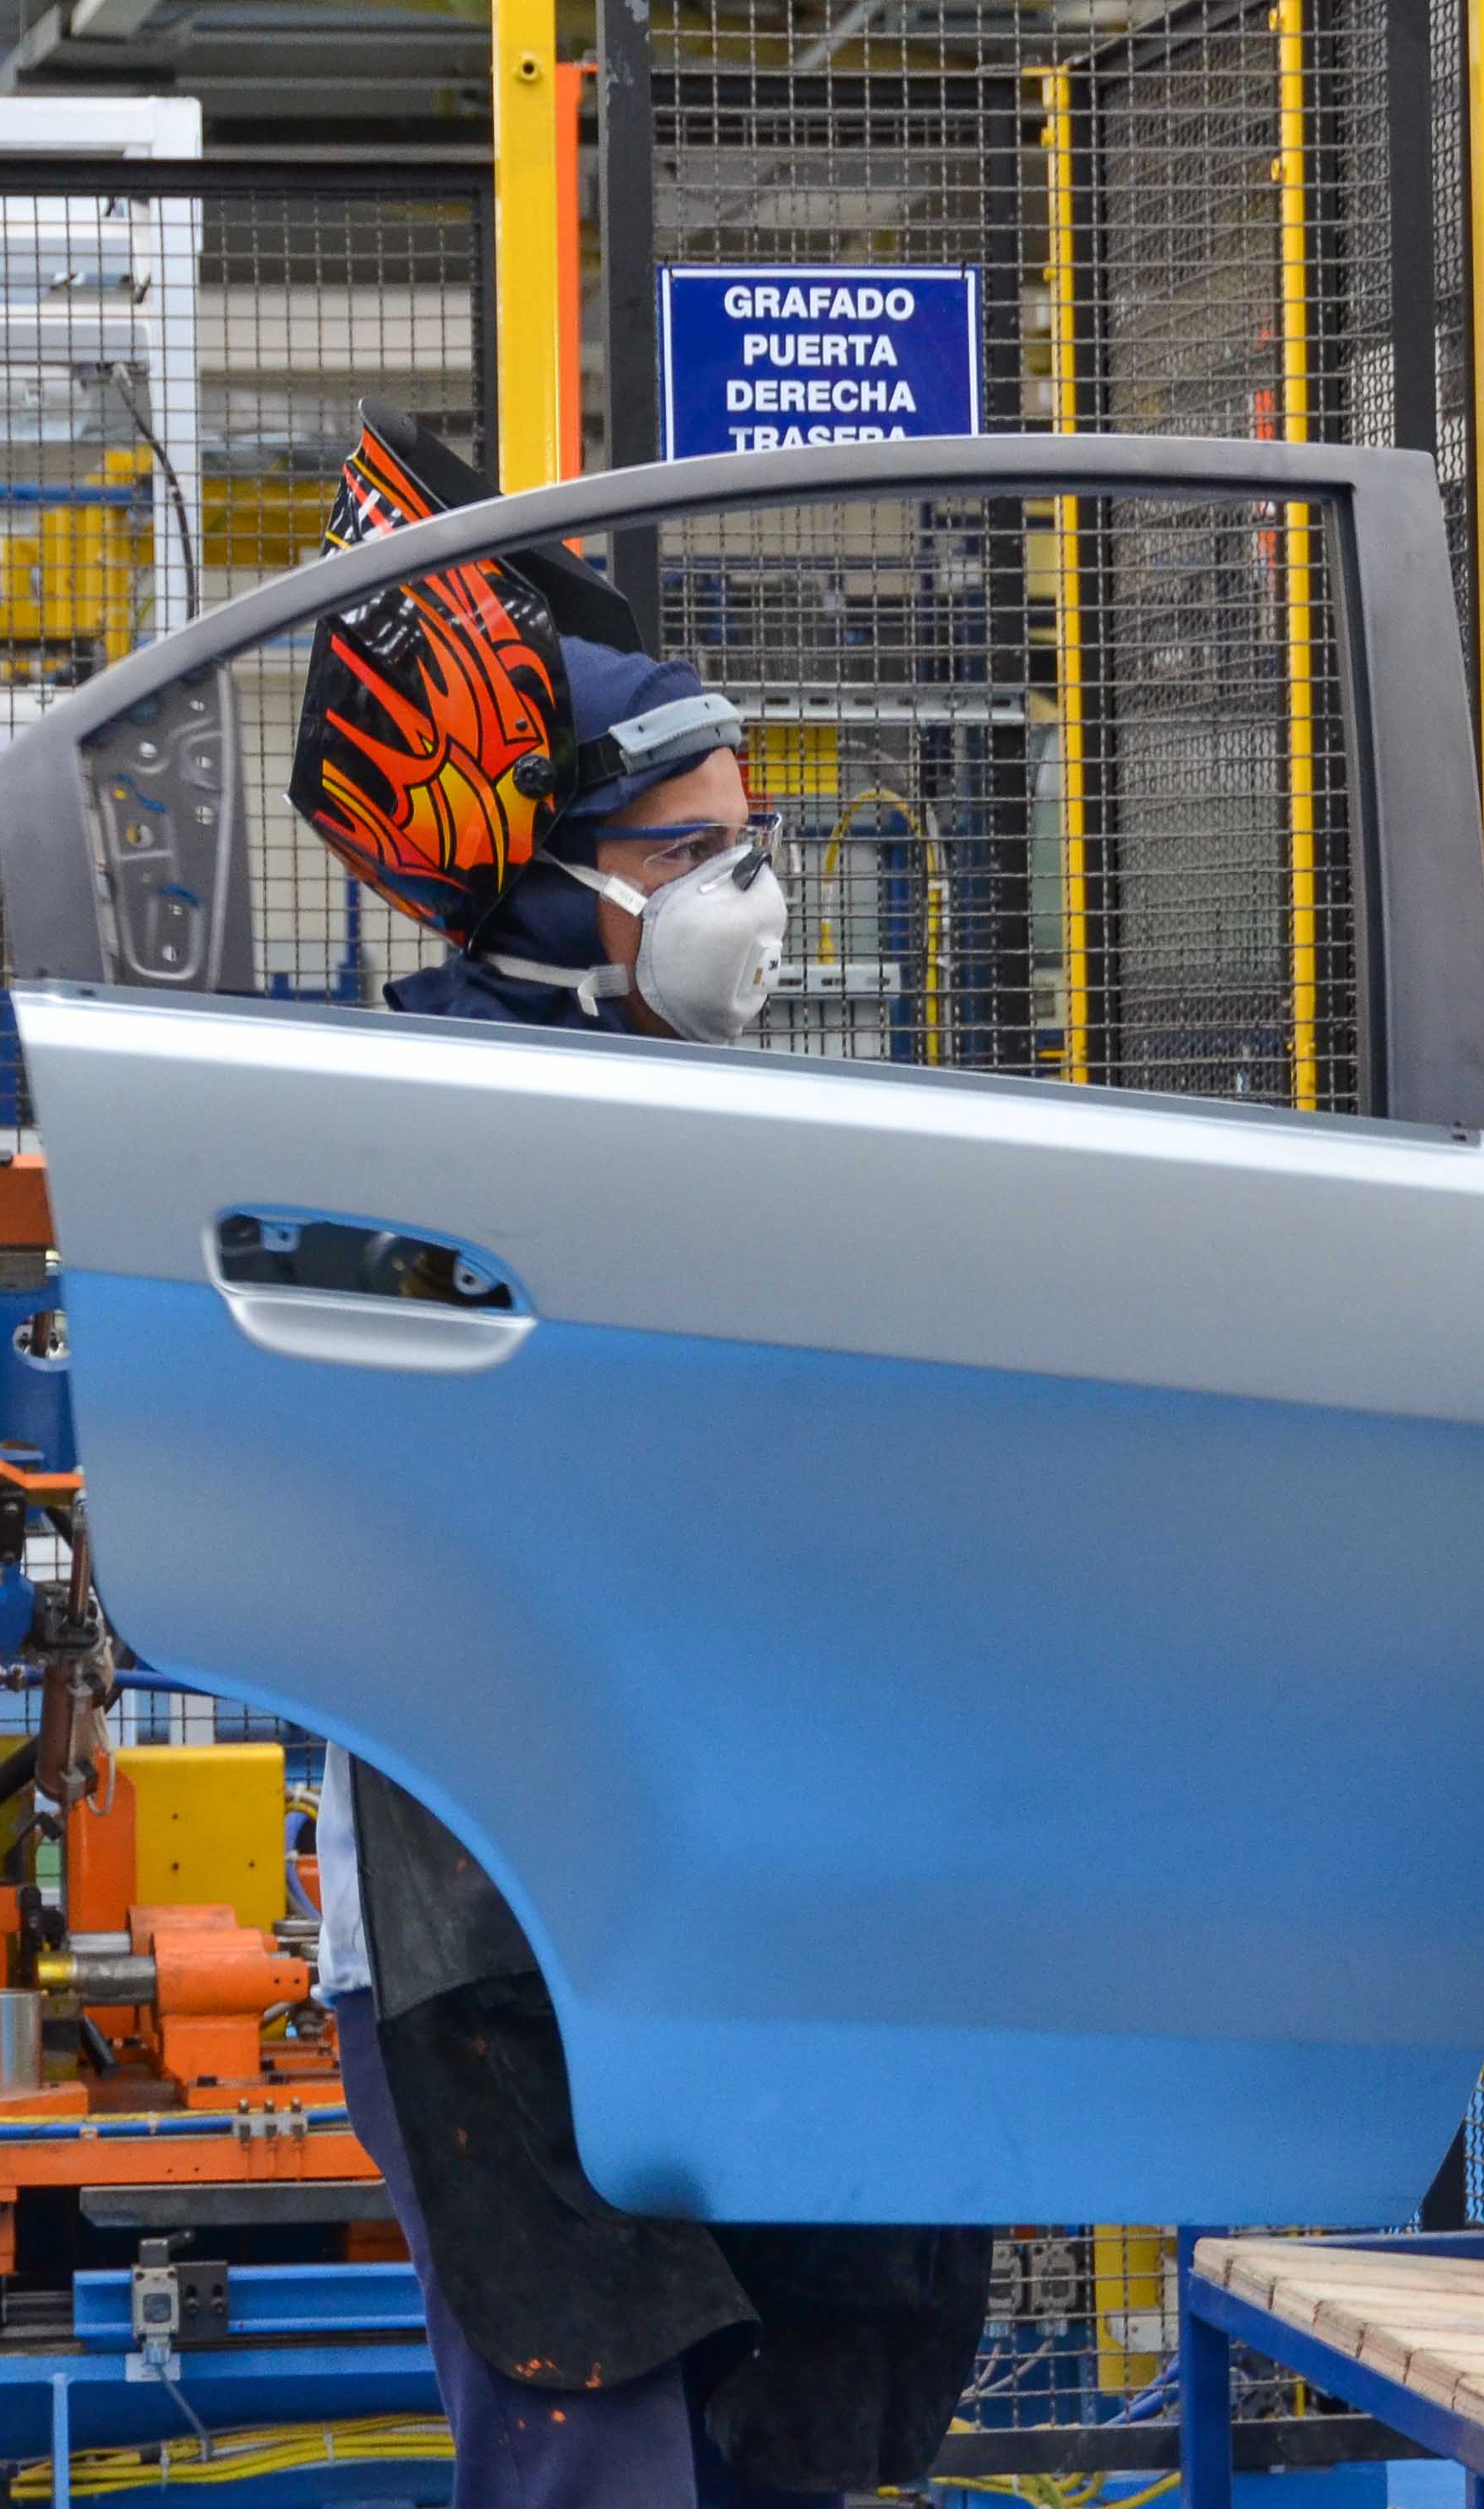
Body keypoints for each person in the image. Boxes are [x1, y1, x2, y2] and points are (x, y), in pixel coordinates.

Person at [283, 408, 992, 2509]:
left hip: (748, 1892)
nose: (748, 892)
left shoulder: (741, 1124)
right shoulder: (403, 1138)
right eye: (693, 854)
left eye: (752, 840)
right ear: (553, 871)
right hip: (492, 1948)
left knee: (806, 2416)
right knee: (600, 2425)